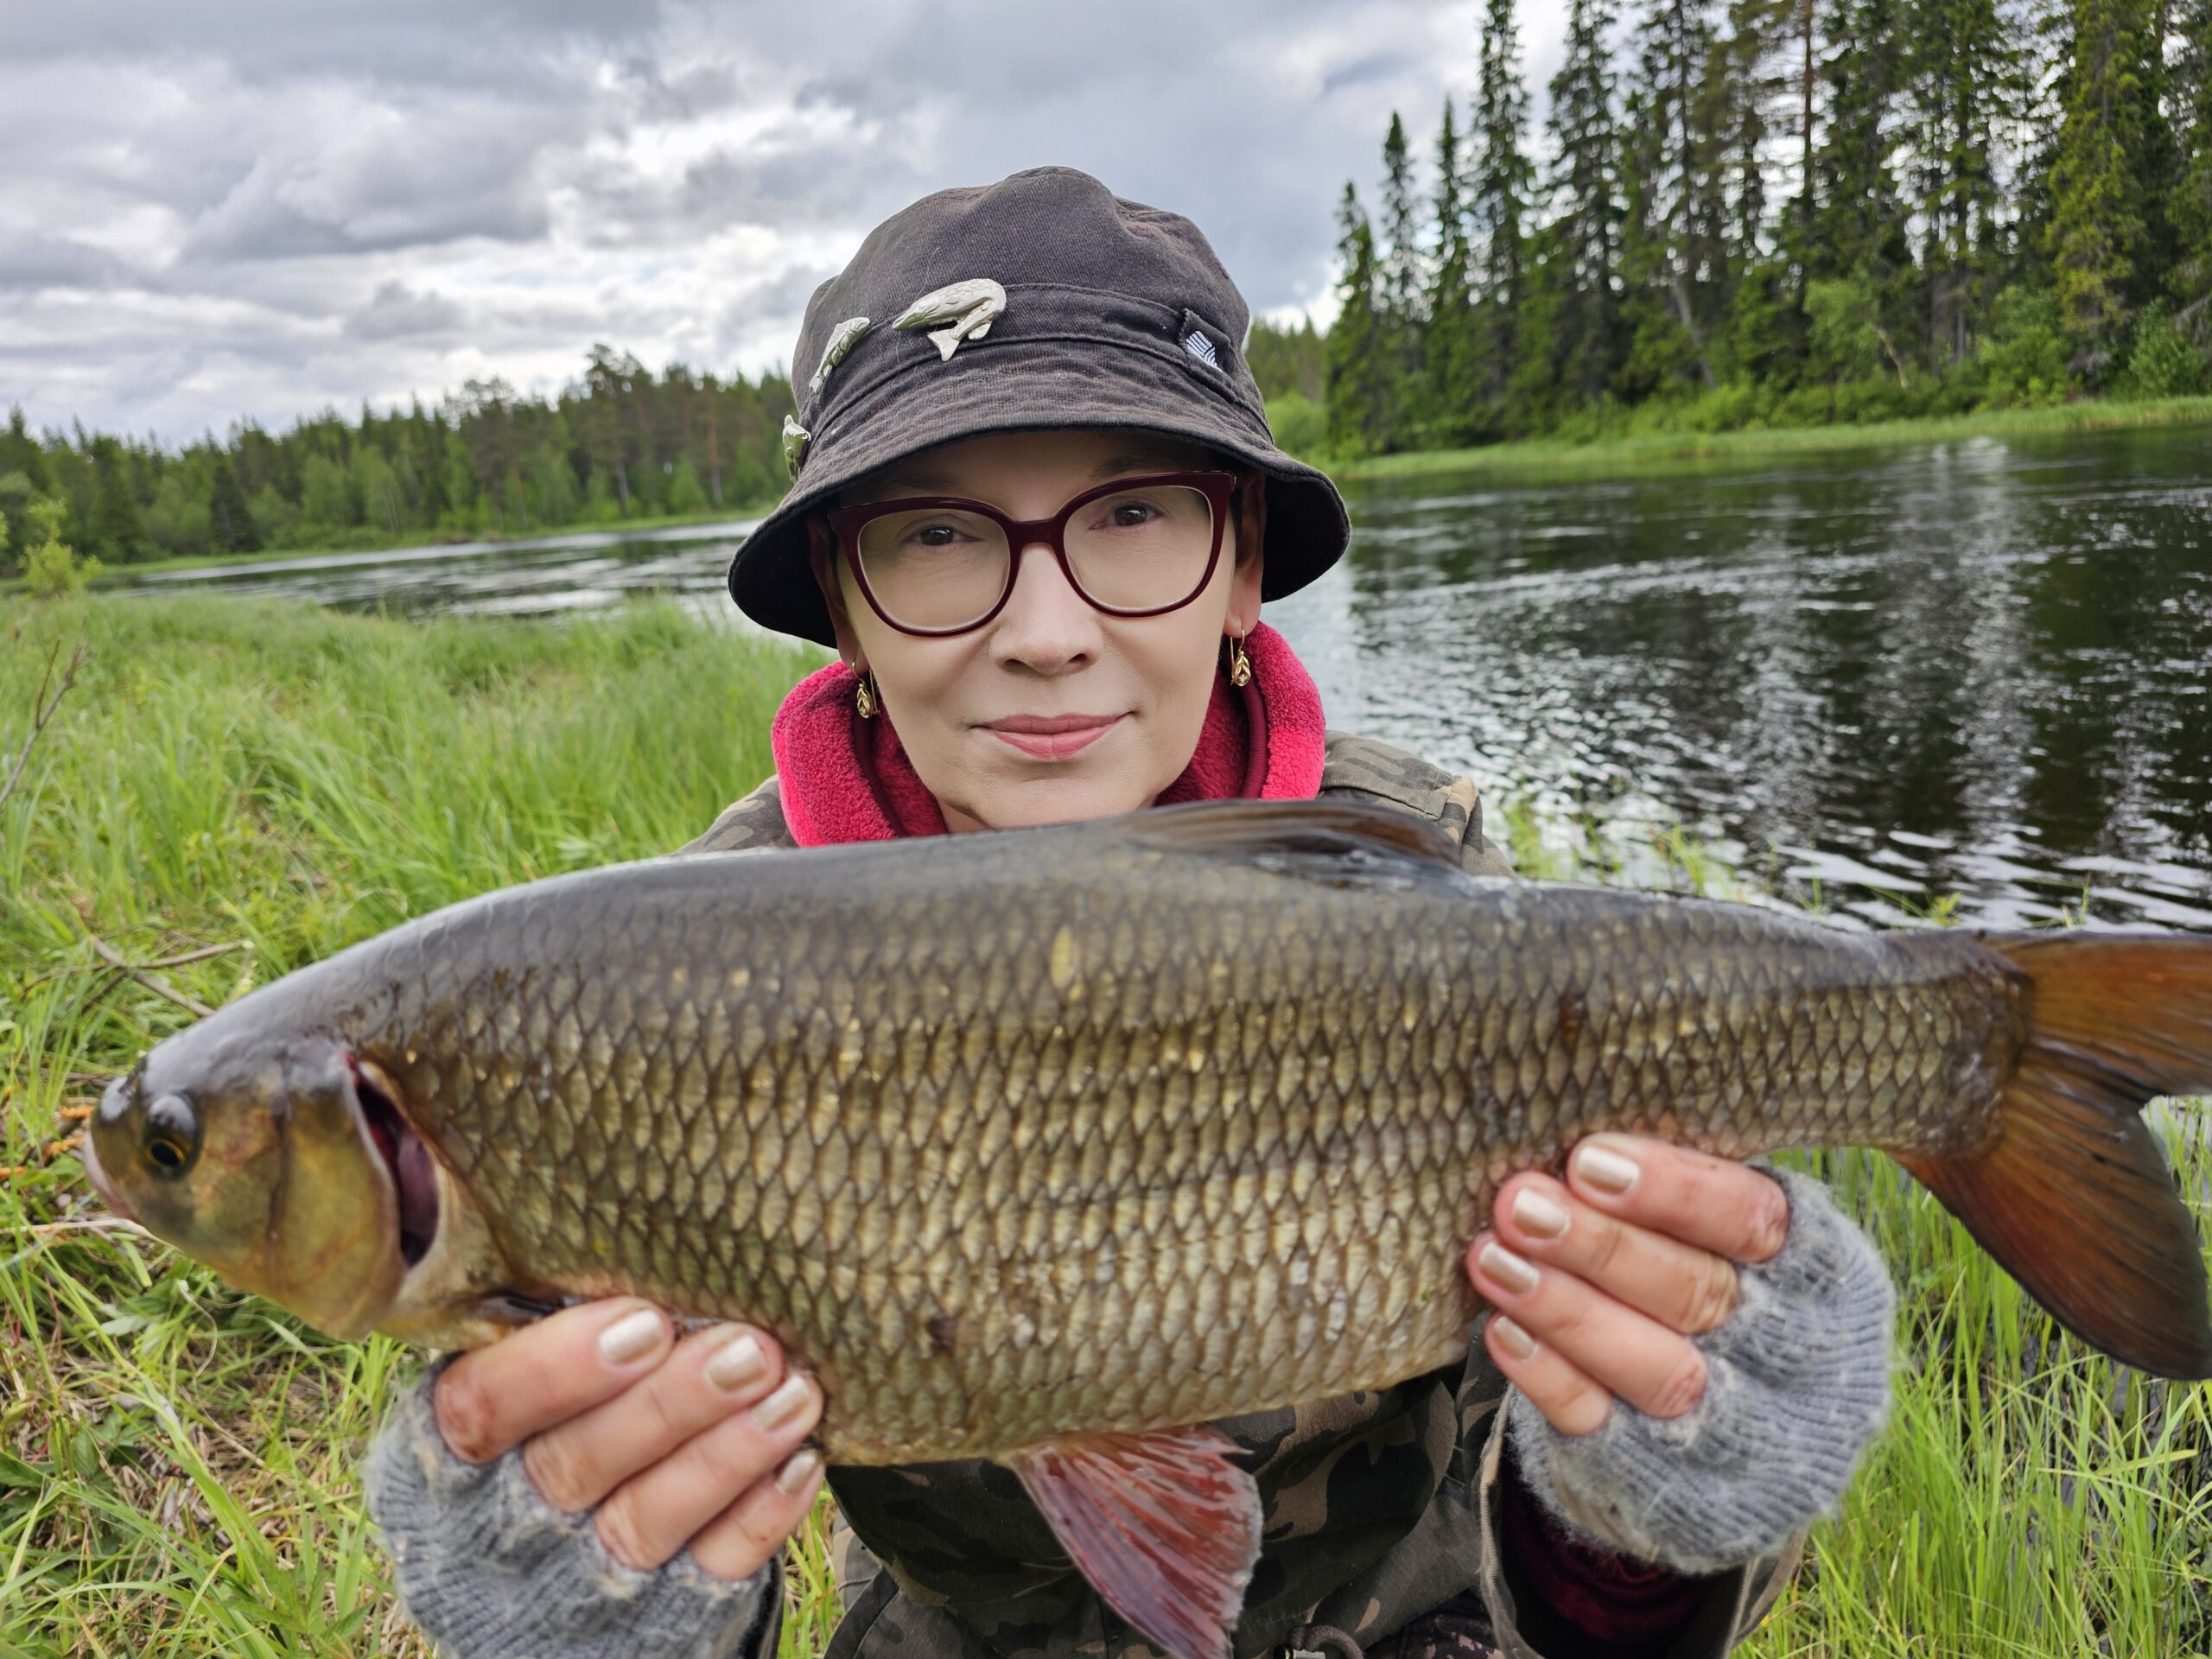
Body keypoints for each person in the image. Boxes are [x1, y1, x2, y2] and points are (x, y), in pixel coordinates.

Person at [364, 167, 1896, 1659]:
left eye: (1135, 515)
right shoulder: (664, 980)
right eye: (937, 534)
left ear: (1242, 564)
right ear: (842, 599)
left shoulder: (1424, 893)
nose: (1047, 632)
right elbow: (640, 1446)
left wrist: (1651, 1508)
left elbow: (1574, 1513)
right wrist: (594, 1592)